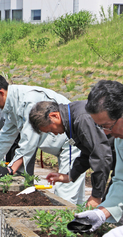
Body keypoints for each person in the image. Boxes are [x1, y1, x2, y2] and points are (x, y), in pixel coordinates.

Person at [0, 71, 85, 204]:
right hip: (60, 145)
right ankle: (82, 219)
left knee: (64, 195)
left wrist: (10, 169)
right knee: (74, 194)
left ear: (0, 93)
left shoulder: (29, 101)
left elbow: (29, 141)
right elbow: (7, 135)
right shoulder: (13, 102)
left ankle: (69, 221)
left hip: (70, 142)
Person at [29, 100, 114, 207]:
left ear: (54, 116)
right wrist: (70, 176)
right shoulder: (73, 117)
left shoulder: (81, 118)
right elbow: (88, 151)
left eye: (51, 130)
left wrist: (96, 195)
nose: (54, 134)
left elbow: (101, 155)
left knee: (113, 206)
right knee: (109, 207)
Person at [71, 80, 123, 236]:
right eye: (100, 127)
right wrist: (102, 212)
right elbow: (121, 181)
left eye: (108, 125)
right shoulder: (120, 139)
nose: (105, 133)